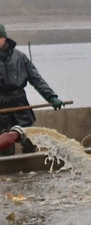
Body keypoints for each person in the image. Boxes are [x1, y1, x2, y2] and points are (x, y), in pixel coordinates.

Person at [0, 23, 65, 156]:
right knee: (4, 143)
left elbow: (36, 79)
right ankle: (7, 171)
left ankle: (30, 167)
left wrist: (51, 97)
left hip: (20, 103)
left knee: (29, 139)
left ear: (4, 38)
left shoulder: (20, 57)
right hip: (1, 106)